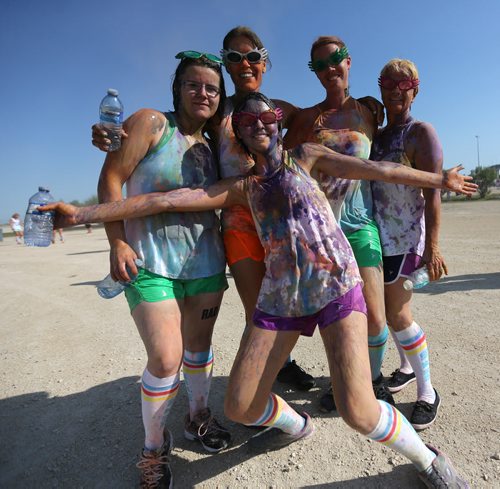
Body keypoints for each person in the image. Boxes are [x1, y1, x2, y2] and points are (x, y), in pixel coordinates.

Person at [43, 93, 474, 488]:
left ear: (278, 122)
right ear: (241, 135)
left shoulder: (306, 156)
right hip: (282, 297)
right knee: (241, 406)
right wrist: (81, 214)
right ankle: (296, 425)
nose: (259, 124)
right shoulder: (242, 189)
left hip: (335, 285)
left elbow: (379, 169)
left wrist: (439, 181)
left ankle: (427, 459)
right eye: (247, 121)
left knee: (358, 410)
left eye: (267, 116)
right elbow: (163, 201)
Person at [92, 26, 316, 392]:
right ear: (225, 66)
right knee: (257, 306)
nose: (244, 63)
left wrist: (364, 109)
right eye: (233, 57)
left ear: (265, 61)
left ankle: (282, 362)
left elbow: (314, 118)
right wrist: (108, 136)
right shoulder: (217, 111)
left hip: (277, 219)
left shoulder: (280, 110)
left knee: (287, 299)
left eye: (252, 56)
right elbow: (176, 124)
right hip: (238, 219)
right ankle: (262, 382)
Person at [92, 51, 231, 488]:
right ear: (178, 89)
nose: (203, 93)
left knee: (197, 349)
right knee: (165, 357)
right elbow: (110, 178)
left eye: (212, 87)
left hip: (206, 261)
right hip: (149, 261)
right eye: (194, 84)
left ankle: (198, 416)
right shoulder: (152, 123)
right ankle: (153, 448)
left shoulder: (215, 143)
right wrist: (116, 240)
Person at [284, 36, 391, 410]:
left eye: (336, 60)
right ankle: (342, 380)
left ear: (349, 61)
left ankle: (373, 380)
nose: (330, 69)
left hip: (360, 225)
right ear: (314, 73)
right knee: (335, 315)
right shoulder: (304, 118)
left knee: (376, 316)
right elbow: (278, 156)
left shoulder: (370, 112)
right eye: (320, 65)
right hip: (321, 233)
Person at [370, 59, 447, 430]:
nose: (395, 93)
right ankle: (404, 367)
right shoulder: (378, 135)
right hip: (378, 239)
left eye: (403, 86)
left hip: (406, 240)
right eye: (388, 85)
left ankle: (428, 392)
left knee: (398, 314)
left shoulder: (421, 134)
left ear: (415, 90)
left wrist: (432, 248)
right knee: (386, 311)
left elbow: (434, 195)